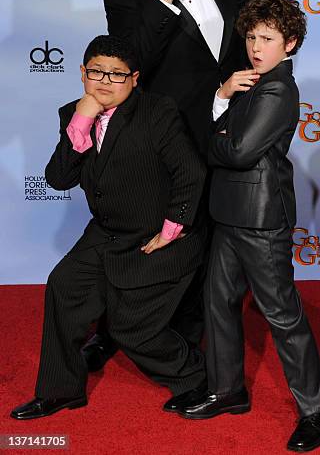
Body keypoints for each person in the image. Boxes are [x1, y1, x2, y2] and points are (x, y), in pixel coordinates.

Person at [84, 0, 272, 370]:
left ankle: (190, 337)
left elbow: (272, 11)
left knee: (203, 241)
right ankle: (115, 330)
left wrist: (262, 63)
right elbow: (131, 68)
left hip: (228, 128)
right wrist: (161, 3)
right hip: (164, 140)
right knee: (149, 238)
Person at [10, 35, 207, 420]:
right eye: (97, 71)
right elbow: (59, 178)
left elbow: (190, 172)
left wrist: (171, 229)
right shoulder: (74, 114)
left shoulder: (158, 111)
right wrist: (81, 124)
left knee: (132, 328)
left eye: (117, 75)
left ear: (135, 78)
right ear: (83, 73)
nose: (105, 81)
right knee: (64, 286)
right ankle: (61, 390)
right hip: (105, 233)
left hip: (159, 237)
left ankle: (197, 378)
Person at [176, 0, 320, 452]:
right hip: (228, 211)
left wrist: (213, 136)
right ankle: (227, 390)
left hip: (262, 219)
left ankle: (314, 411)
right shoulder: (248, 82)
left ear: (291, 43)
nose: (256, 46)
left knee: (282, 314)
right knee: (218, 302)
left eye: (267, 38)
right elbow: (232, 143)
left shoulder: (278, 87)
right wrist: (222, 99)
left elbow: (239, 151)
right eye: (250, 36)